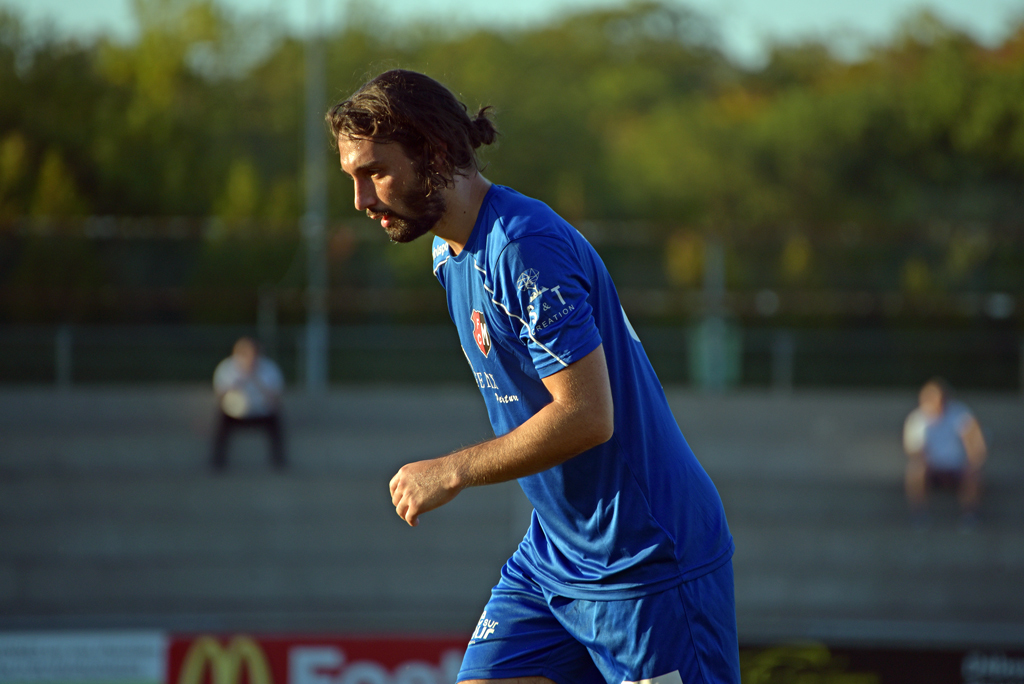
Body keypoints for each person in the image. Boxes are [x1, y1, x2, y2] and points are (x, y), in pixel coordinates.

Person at [326, 69, 738, 684]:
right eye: (352, 179)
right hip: (555, 557)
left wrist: (452, 470)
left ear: (435, 154)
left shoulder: (522, 246)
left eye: (374, 173)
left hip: (646, 562)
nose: (360, 201)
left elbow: (589, 415)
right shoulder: (449, 251)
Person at [903, 378, 987, 527]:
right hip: (932, 468)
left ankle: (970, 515)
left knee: (973, 471)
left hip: (957, 467)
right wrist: (924, 461)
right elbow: (914, 450)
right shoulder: (917, 419)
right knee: (915, 470)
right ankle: (919, 514)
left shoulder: (960, 413)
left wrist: (973, 461)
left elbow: (975, 441)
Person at [211, 337, 286, 472]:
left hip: (262, 413)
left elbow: (276, 399)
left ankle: (279, 462)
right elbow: (220, 395)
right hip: (234, 414)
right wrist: (240, 380)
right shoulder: (227, 368)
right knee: (221, 423)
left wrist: (255, 378)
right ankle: (217, 463)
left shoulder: (269, 368)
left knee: (277, 423)